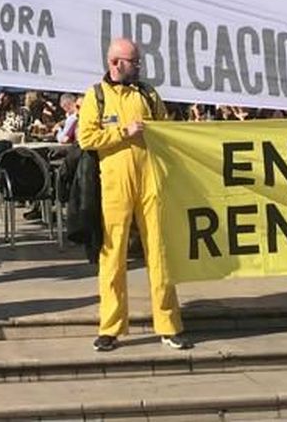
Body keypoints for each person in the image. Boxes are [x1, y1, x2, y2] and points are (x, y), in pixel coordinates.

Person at [77, 37, 190, 352]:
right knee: (112, 256)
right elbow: (85, 137)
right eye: (133, 61)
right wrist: (121, 133)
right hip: (114, 184)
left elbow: (164, 129)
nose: (138, 66)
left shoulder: (148, 93)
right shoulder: (96, 95)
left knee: (159, 253)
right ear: (115, 63)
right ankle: (110, 327)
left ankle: (169, 324)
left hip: (150, 181)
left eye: (139, 61)